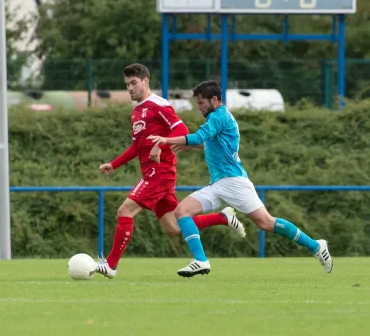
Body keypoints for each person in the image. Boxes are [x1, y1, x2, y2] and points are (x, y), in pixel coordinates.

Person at [148, 80, 333, 277]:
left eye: (201, 102)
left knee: (266, 223)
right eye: (197, 103)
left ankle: (315, 246)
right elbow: (210, 143)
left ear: (214, 100)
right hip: (219, 184)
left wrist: (167, 139)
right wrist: (189, 146)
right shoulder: (218, 117)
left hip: (234, 183)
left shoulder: (218, 116)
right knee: (182, 211)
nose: (198, 107)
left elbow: (199, 137)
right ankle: (200, 260)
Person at [95, 64, 246, 279]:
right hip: (152, 174)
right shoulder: (137, 112)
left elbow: (181, 130)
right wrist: (114, 164)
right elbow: (137, 147)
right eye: (127, 84)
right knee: (174, 228)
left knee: (124, 211)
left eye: (134, 83)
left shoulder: (159, 105)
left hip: (161, 173)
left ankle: (110, 266)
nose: (130, 88)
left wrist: (161, 145)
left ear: (145, 81)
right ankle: (223, 217)